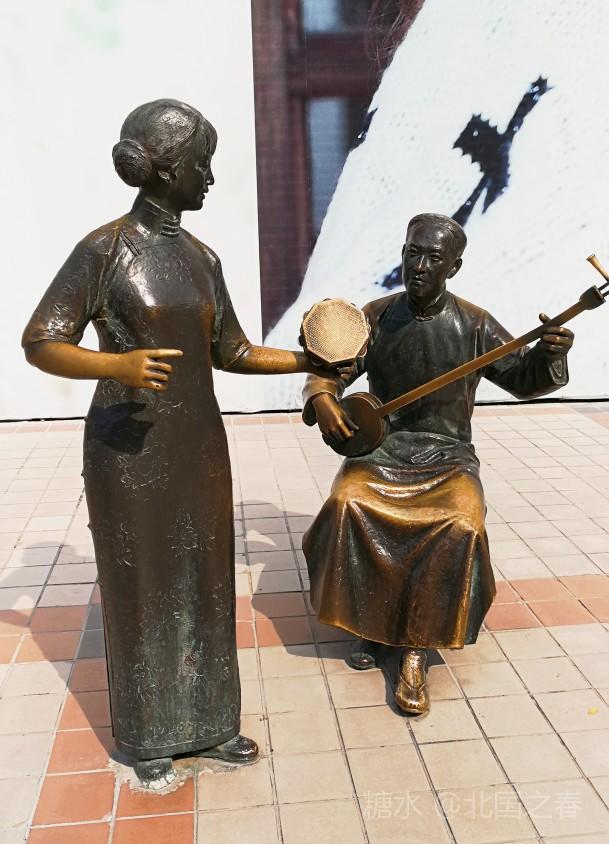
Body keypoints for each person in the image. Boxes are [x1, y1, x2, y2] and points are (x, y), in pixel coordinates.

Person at [22, 99, 331, 787]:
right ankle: (149, 731)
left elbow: (233, 350)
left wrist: (310, 360)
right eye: (202, 164)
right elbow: (41, 340)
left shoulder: (201, 258)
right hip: (128, 449)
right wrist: (117, 364)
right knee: (142, 584)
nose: (210, 178)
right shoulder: (105, 250)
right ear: (164, 169)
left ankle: (212, 723)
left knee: (206, 577)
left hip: (197, 444)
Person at [301, 213, 574, 715]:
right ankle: (369, 623)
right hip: (383, 449)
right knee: (347, 501)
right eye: (413, 253)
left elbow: (523, 378)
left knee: (460, 521)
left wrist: (549, 355)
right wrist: (321, 397)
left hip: (447, 456)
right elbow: (329, 369)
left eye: (433, 257)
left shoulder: (475, 324)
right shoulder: (376, 316)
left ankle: (415, 646)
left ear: (454, 267)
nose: (420, 266)